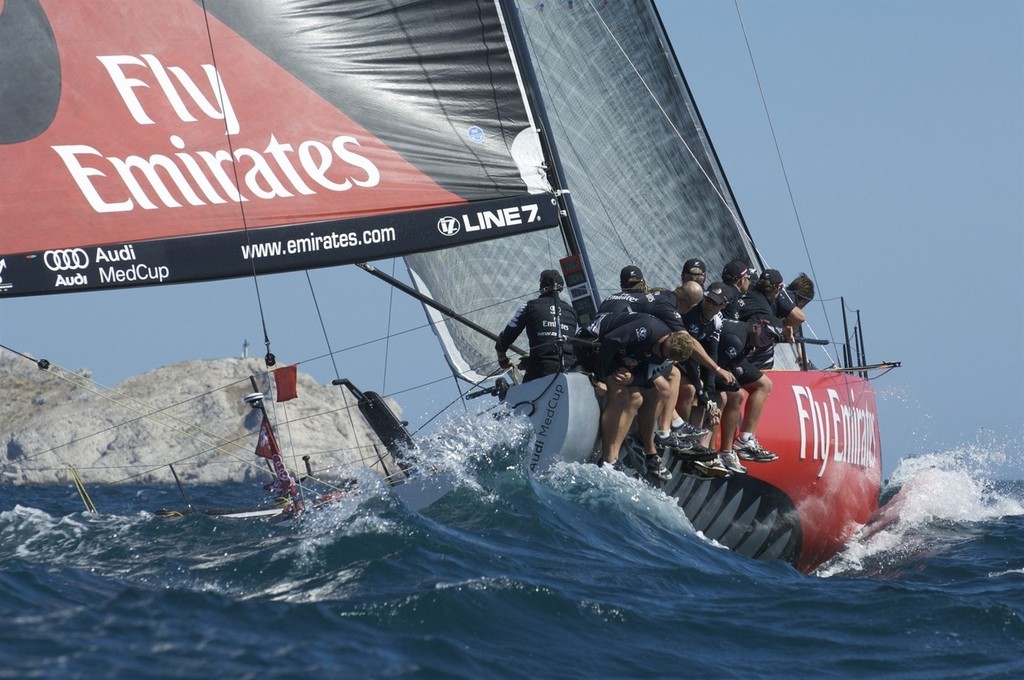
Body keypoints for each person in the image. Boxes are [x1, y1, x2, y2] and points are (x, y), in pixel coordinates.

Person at [495, 270, 577, 382]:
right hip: (570, 374)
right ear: (561, 288)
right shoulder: (572, 311)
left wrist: (502, 359)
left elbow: (504, 340)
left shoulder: (530, 306)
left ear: (541, 286)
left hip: (540, 371)